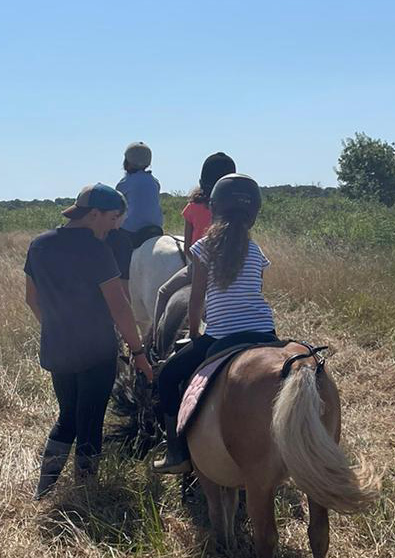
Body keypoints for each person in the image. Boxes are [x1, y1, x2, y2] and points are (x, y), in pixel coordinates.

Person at [24, 183, 154, 500]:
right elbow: (120, 307)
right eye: (111, 219)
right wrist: (138, 352)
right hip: (96, 350)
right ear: (94, 214)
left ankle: (45, 490)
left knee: (67, 417)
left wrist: (56, 327)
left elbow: (31, 299)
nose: (113, 228)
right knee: (91, 420)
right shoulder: (96, 251)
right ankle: (85, 492)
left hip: (58, 349)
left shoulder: (39, 245)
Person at [151, 173, 276, 474]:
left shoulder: (203, 247)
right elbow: (255, 293)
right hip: (265, 333)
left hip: (221, 336)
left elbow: (196, 300)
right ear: (253, 213)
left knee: (168, 377)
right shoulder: (256, 250)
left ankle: (177, 454)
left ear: (215, 207)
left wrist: (195, 334)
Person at [148, 151, 237, 337]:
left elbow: (189, 246)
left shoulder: (193, 207)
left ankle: (155, 343)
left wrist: (199, 265)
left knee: (163, 293)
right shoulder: (235, 208)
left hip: (198, 267)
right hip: (231, 267)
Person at [112, 141, 165, 296]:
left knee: (113, 249)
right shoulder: (154, 182)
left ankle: (121, 285)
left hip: (131, 231)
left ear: (127, 161)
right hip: (155, 229)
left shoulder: (124, 183)